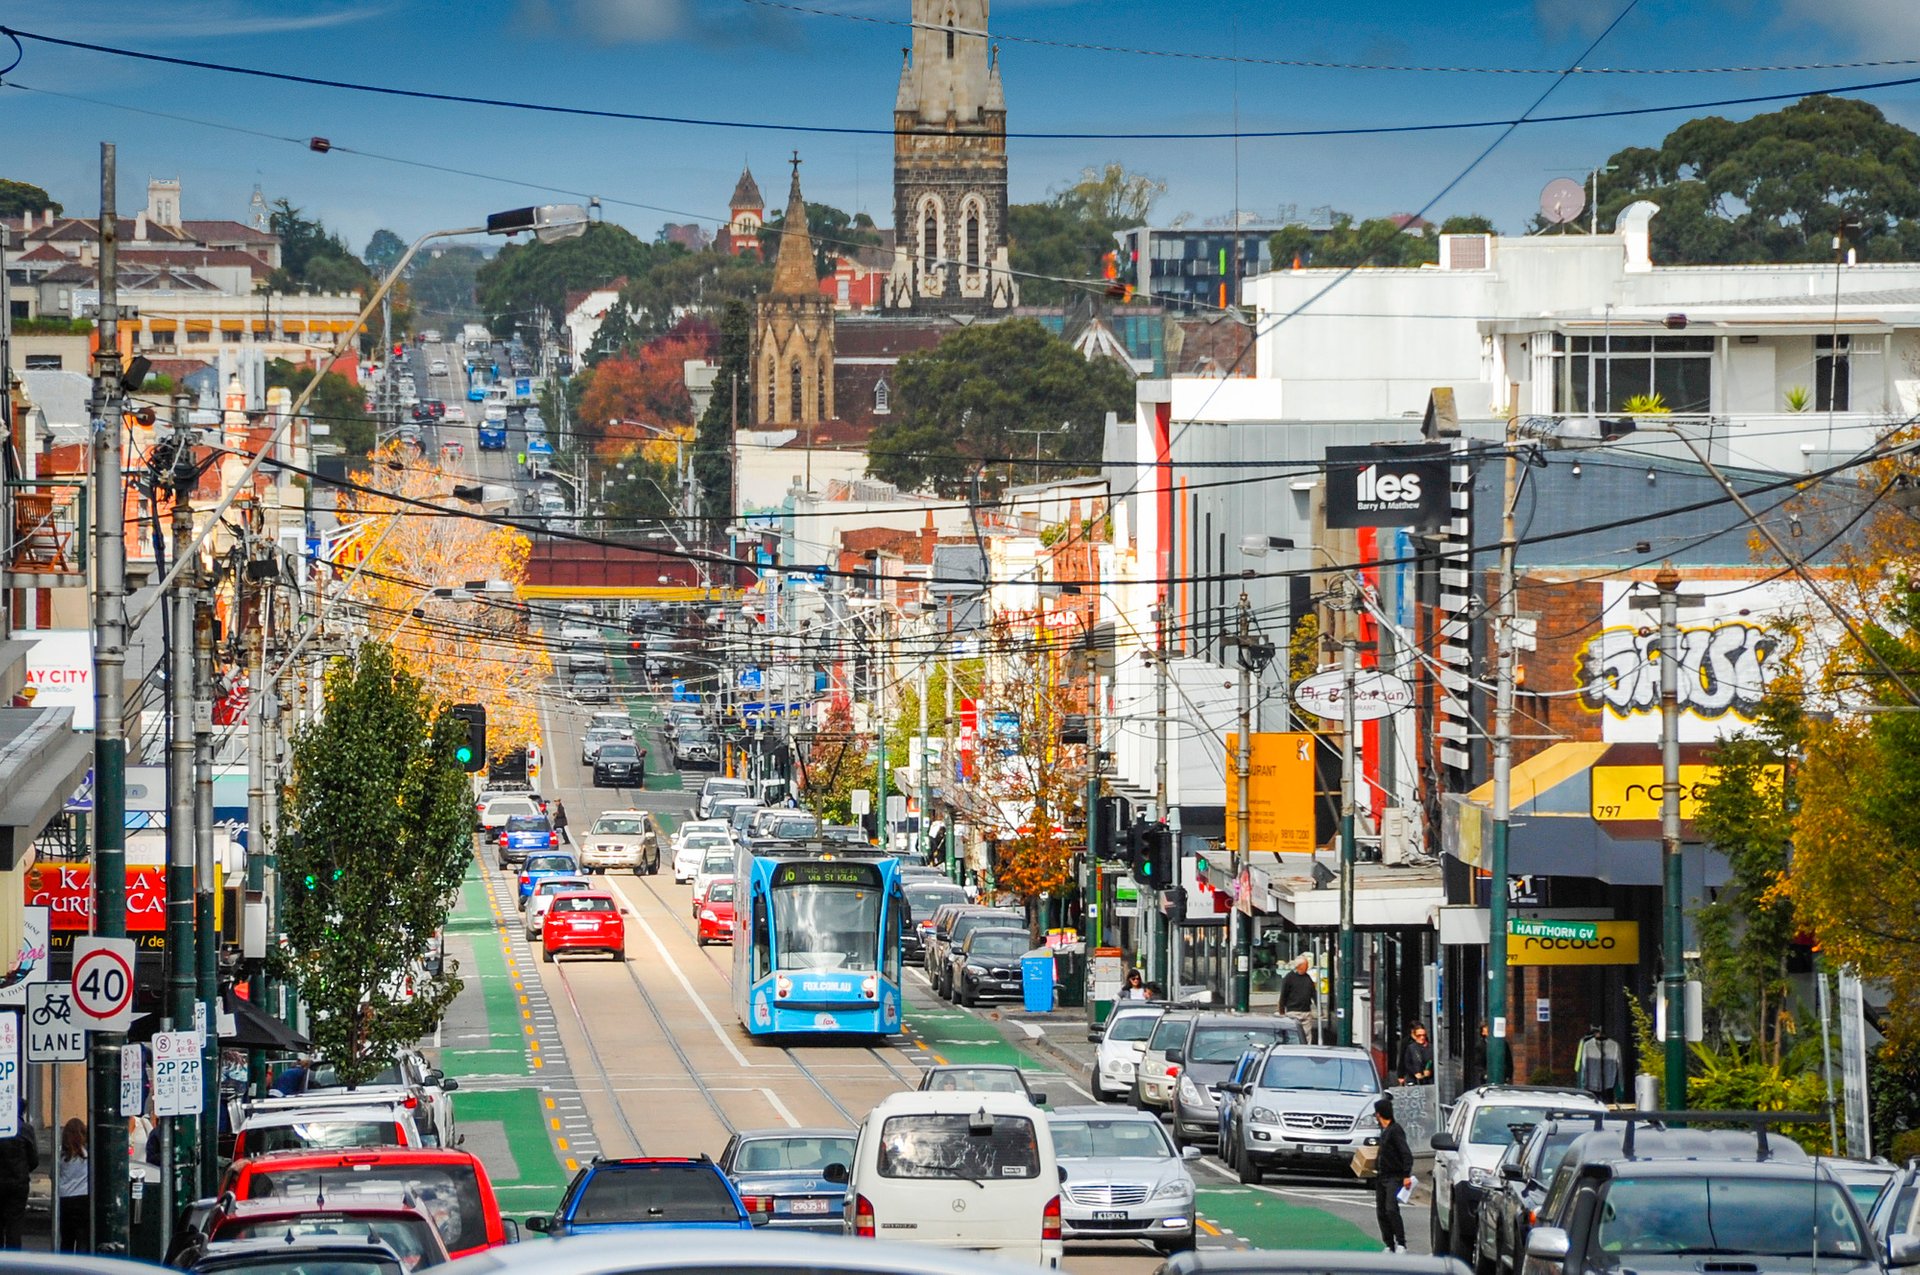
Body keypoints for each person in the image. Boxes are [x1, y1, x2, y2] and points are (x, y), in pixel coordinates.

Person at [1373, 1097, 1413, 1253]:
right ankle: (1389, 1244)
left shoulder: (1395, 1130)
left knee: (1391, 1209)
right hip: (1381, 1176)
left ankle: (1401, 1243)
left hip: (1394, 1176)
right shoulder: (1384, 1131)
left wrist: (1406, 1174)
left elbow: (1405, 1153)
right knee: (1381, 1211)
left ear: (1379, 1114)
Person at [0, 1102, 36, 1248]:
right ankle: (13, 1255)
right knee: (14, 1223)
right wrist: (24, 1169)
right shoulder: (25, 1129)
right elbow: (34, 1159)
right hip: (18, 1182)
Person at [56, 1119, 87, 1253]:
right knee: (82, 1238)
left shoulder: (60, 1155)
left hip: (65, 1199)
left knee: (67, 1239)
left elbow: (53, 1175)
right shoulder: (87, 1155)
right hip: (83, 1197)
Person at [1280, 955, 1318, 1043]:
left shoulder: (1307, 978)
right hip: (1293, 1011)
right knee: (1293, 1034)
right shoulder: (1289, 978)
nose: (1308, 967)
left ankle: (1306, 1048)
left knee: (1307, 1035)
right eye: (1306, 965)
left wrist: (1319, 1007)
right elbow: (1283, 995)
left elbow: (1313, 993)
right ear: (1299, 966)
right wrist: (1282, 1011)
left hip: (1305, 1011)